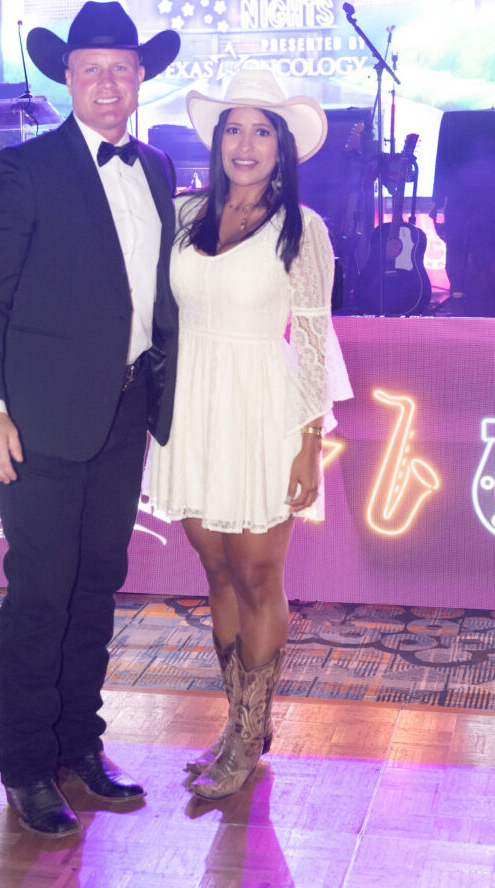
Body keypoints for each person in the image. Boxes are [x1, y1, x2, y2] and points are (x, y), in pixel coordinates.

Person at [0, 1, 180, 837]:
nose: (107, 83)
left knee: (96, 589)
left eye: (120, 68)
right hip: (40, 418)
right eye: (90, 69)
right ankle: (24, 765)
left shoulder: (156, 169)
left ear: (140, 77)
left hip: (124, 412)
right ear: (67, 78)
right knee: (42, 593)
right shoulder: (26, 167)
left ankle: (78, 747)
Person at [149, 68, 352, 799]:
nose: (244, 143)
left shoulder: (304, 230)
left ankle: (246, 738)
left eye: (260, 130)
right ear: (215, 140)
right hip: (193, 409)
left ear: (282, 146)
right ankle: (241, 722)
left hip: (263, 410)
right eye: (232, 128)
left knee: (260, 573)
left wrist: (306, 443)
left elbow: (313, 343)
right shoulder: (181, 216)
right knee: (216, 572)